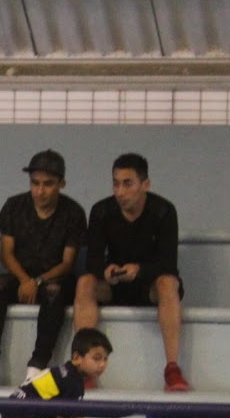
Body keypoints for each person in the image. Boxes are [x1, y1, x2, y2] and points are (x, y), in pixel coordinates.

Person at [72, 154, 191, 392]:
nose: (120, 192)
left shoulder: (164, 211)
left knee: (169, 283)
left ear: (145, 184)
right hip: (115, 285)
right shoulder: (101, 211)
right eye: (116, 184)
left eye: (127, 184)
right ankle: (83, 369)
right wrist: (105, 270)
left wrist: (140, 270)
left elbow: (168, 263)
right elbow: (93, 260)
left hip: (148, 285)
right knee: (85, 282)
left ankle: (172, 368)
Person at [0, 150, 86, 388]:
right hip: (20, 275)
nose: (40, 190)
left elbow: (67, 263)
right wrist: (25, 280)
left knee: (54, 293)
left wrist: (37, 281)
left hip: (55, 277)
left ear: (61, 184)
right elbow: (6, 253)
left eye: (48, 184)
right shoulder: (14, 205)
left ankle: (37, 366)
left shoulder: (73, 212)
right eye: (35, 183)